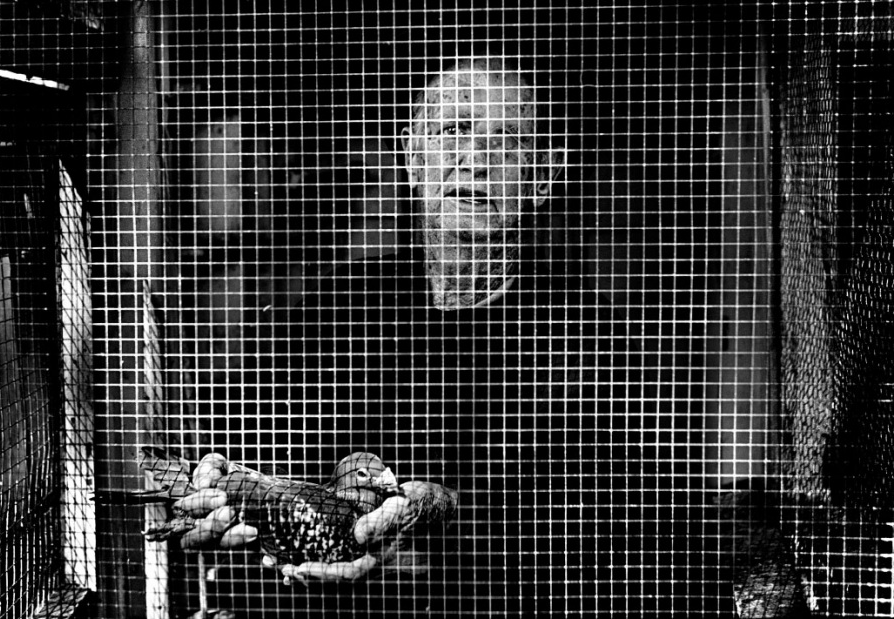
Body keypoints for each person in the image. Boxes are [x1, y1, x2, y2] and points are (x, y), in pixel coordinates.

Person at [204, 54, 713, 617]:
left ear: (543, 175)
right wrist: (238, 495)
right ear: (413, 156)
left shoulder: (590, 342)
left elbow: (625, 535)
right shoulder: (333, 308)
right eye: (453, 130)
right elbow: (266, 447)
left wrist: (451, 521)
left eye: (507, 141)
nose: (474, 161)